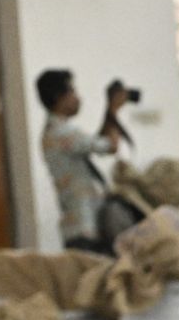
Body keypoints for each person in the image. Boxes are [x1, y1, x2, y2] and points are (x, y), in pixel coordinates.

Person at [36, 68, 131, 252]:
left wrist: (109, 111)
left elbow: (97, 142)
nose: (78, 98)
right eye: (72, 91)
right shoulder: (61, 133)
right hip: (85, 229)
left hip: (83, 227)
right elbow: (111, 146)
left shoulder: (58, 131)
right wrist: (113, 110)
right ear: (58, 97)